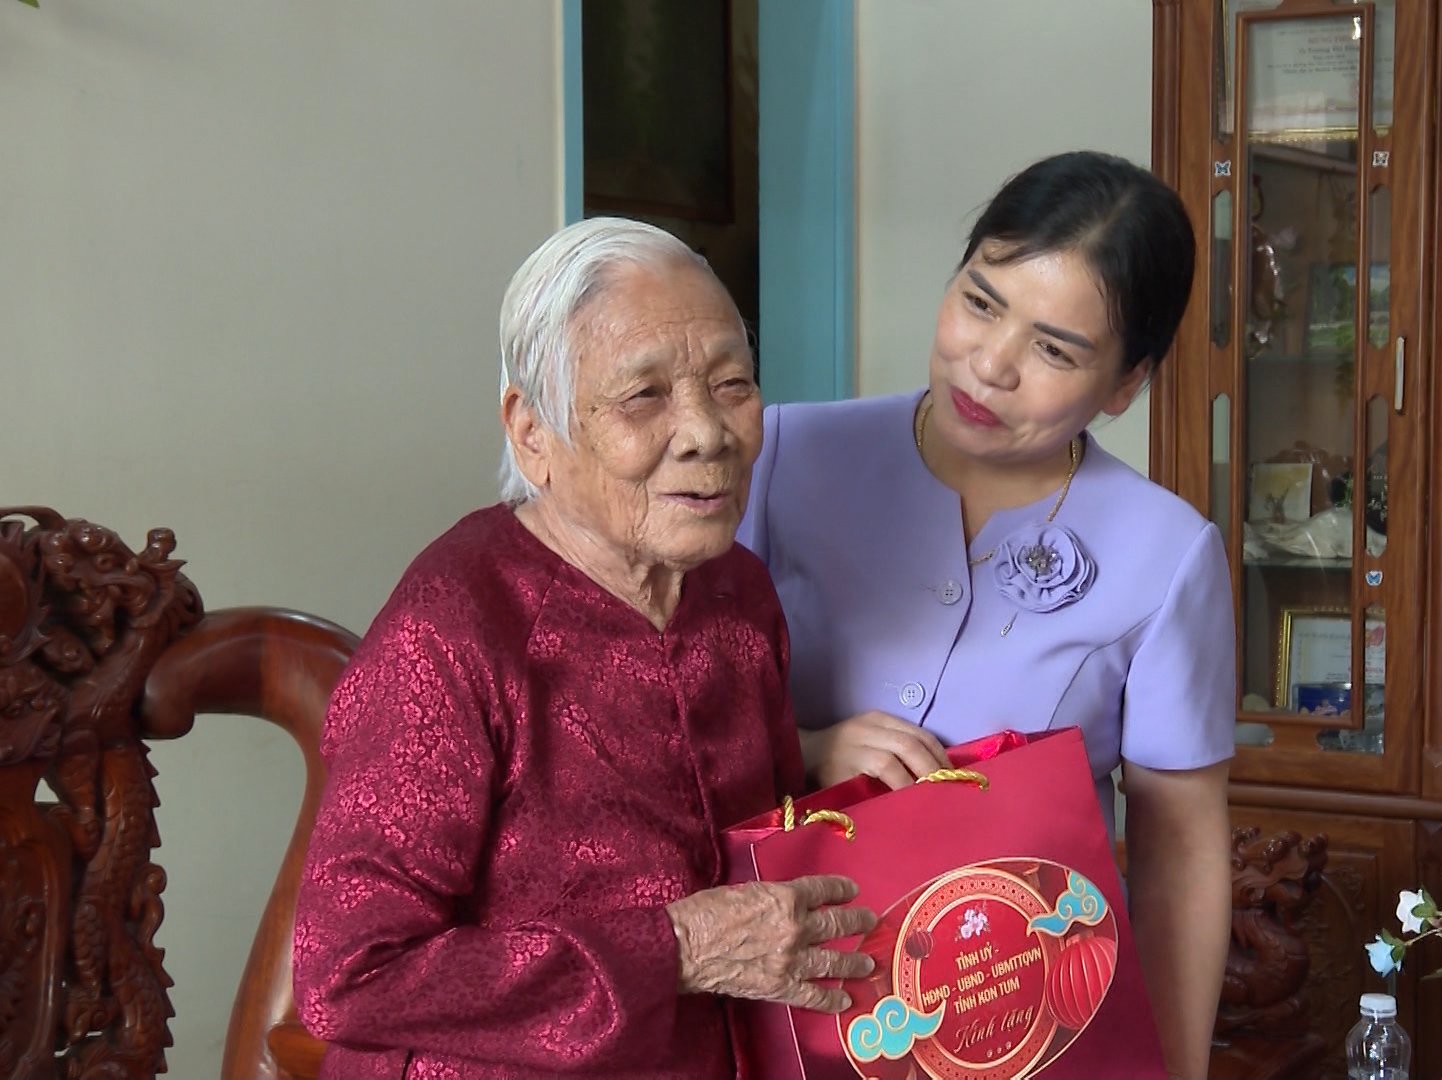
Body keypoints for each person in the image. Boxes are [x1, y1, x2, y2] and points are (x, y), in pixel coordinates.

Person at [293, 218, 877, 1080]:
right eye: (644, 396)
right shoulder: (453, 631)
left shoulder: (737, 595)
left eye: (732, 384)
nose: (707, 433)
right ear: (532, 433)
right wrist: (673, 948)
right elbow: (350, 975)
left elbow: (761, 865)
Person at [739, 150, 1233, 1079]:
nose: (991, 364)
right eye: (981, 300)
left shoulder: (1167, 556)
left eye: (1055, 350)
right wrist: (808, 747)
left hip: (1024, 1025)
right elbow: (671, 712)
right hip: (787, 1000)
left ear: (1124, 386)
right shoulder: (784, 456)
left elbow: (1182, 859)